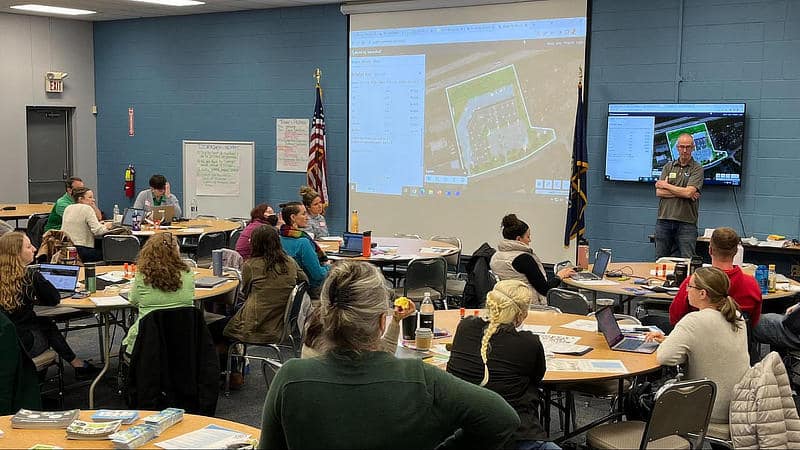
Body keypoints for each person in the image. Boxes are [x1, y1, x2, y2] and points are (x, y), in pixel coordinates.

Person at [259, 260, 520, 450]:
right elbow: (502, 418)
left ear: (325, 317)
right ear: (382, 322)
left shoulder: (291, 377)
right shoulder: (421, 378)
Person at [447, 280, 554, 450]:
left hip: (460, 429)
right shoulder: (528, 342)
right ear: (521, 315)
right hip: (513, 433)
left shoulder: (465, 327)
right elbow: (537, 377)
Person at [645, 267, 749, 425]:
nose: (686, 290)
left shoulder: (694, 320)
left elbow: (665, 357)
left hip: (707, 408)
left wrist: (673, 344)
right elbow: (712, 347)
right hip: (738, 405)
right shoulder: (736, 316)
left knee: (639, 399)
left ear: (703, 293)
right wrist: (669, 340)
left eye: (690, 286)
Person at [0, 232, 100, 380]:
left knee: (41, 321)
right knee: (45, 324)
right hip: (24, 346)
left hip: (5, 343)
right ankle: (76, 364)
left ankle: (75, 364)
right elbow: (54, 298)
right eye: (28, 247)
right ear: (16, 253)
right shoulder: (30, 276)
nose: (34, 249)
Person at [670, 227, 761, 327]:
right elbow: (753, 323)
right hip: (739, 340)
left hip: (699, 340)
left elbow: (675, 318)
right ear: (736, 252)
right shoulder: (752, 285)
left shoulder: (694, 282)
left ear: (710, 250)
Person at [121, 232, 195, 353]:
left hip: (147, 343)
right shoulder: (188, 273)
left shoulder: (142, 275)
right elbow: (191, 297)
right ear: (177, 251)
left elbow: (133, 300)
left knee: (128, 340)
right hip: (183, 340)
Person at [490, 214, 574, 305]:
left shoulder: (495, 257)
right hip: (528, 306)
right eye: (528, 237)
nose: (530, 240)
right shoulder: (524, 259)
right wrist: (560, 276)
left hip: (504, 304)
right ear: (518, 239)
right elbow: (545, 290)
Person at [654, 133, 704, 259]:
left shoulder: (697, 168)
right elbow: (658, 192)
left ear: (693, 147)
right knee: (660, 260)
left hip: (686, 223)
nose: (685, 150)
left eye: (688, 147)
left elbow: (689, 193)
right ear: (677, 147)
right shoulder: (668, 166)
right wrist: (685, 193)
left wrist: (666, 186)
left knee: (687, 261)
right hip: (664, 220)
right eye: (682, 147)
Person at [278, 202, 329, 293]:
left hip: (287, 288)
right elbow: (318, 275)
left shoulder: (278, 238)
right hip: (309, 289)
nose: (307, 217)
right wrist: (329, 266)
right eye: (303, 214)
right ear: (293, 217)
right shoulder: (303, 242)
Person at [60, 187, 112, 262]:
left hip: (67, 249)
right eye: (90, 197)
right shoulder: (87, 209)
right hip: (82, 251)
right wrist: (107, 226)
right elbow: (97, 231)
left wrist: (93, 205)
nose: (93, 199)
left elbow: (80, 223)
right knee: (111, 253)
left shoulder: (68, 208)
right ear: (80, 199)